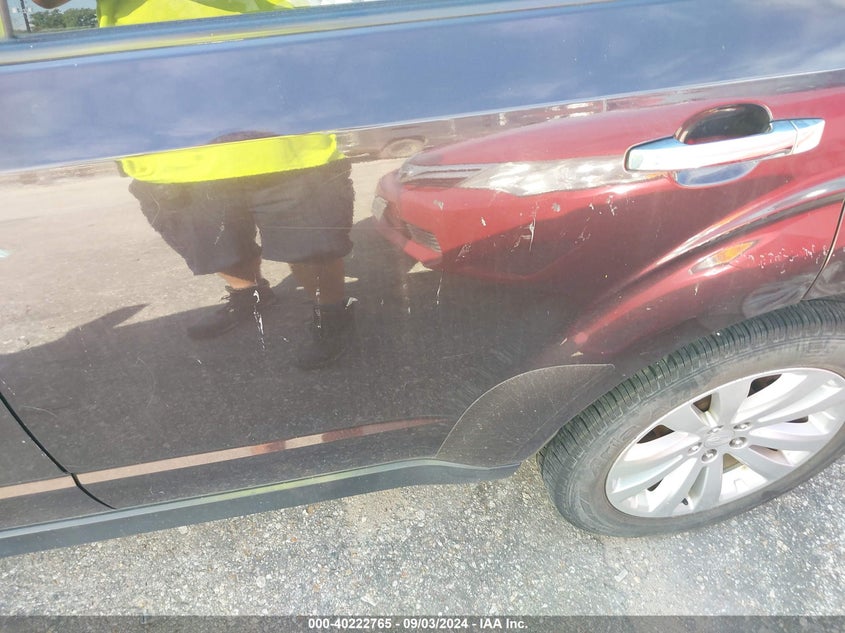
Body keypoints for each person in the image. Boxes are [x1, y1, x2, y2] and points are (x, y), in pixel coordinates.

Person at [32, 0, 357, 370]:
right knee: (211, 244)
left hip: (275, 119)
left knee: (310, 244)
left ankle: (332, 314)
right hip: (171, 136)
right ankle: (249, 296)